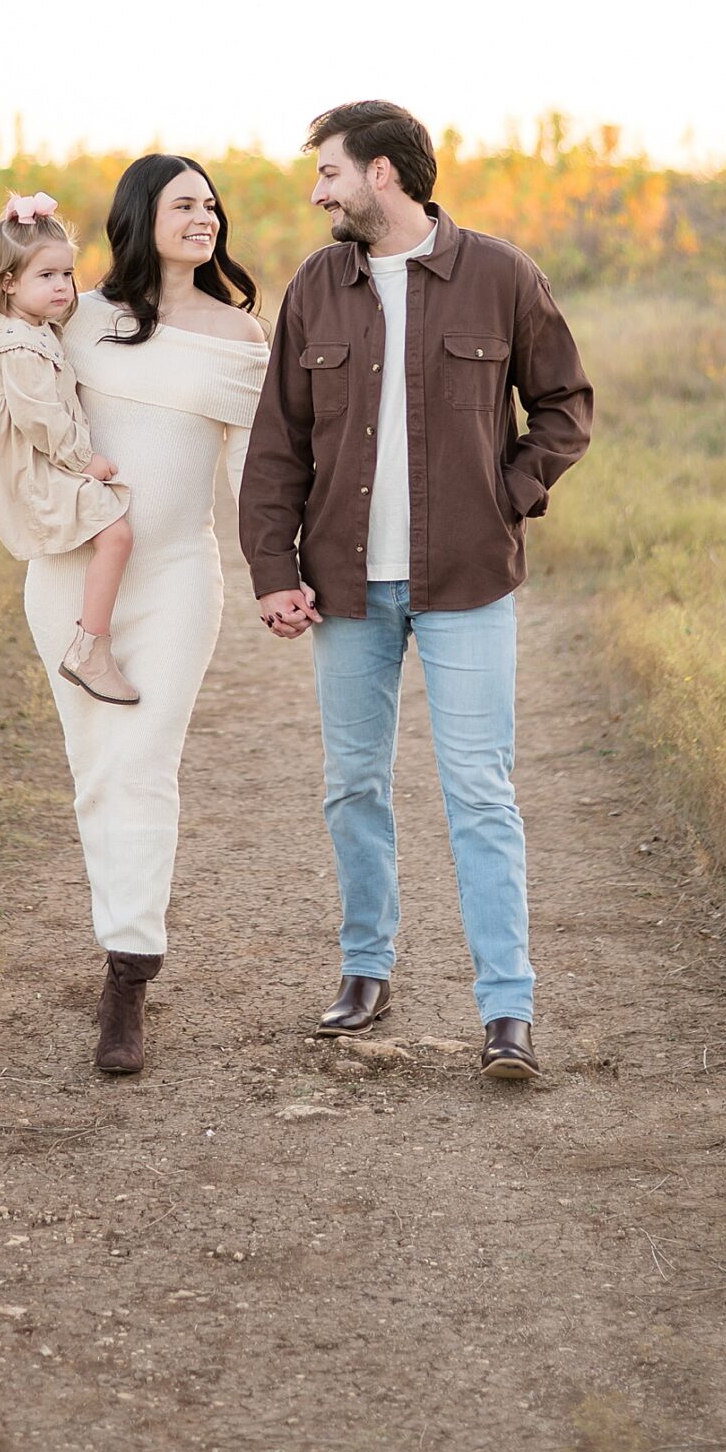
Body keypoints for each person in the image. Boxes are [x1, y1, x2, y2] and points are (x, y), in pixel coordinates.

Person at [239, 100, 593, 1081]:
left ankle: (506, 1010)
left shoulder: (500, 276)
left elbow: (564, 407)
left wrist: (504, 496)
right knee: (351, 783)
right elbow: (275, 443)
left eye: (328, 174)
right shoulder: (316, 285)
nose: (317, 192)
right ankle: (365, 971)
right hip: (346, 584)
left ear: (383, 174)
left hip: (465, 581)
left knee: (479, 790)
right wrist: (274, 569)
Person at [22, 155, 267, 1077]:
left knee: (144, 759)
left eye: (210, 205)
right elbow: (13, 397)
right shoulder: (77, 316)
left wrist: (278, 573)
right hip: (68, 576)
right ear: (141, 216)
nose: (203, 217)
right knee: (96, 769)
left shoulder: (243, 339)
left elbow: (253, 474)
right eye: (182, 204)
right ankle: (117, 950)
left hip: (172, 580)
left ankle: (129, 974)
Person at [0, 192, 139, 704]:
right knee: (116, 535)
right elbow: (42, 421)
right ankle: (90, 649)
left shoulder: (36, 329)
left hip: (42, 456)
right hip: (34, 467)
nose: (62, 287)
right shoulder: (18, 346)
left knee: (115, 533)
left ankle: (89, 645)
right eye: (46, 276)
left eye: (67, 274)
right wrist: (87, 461)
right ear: (8, 282)